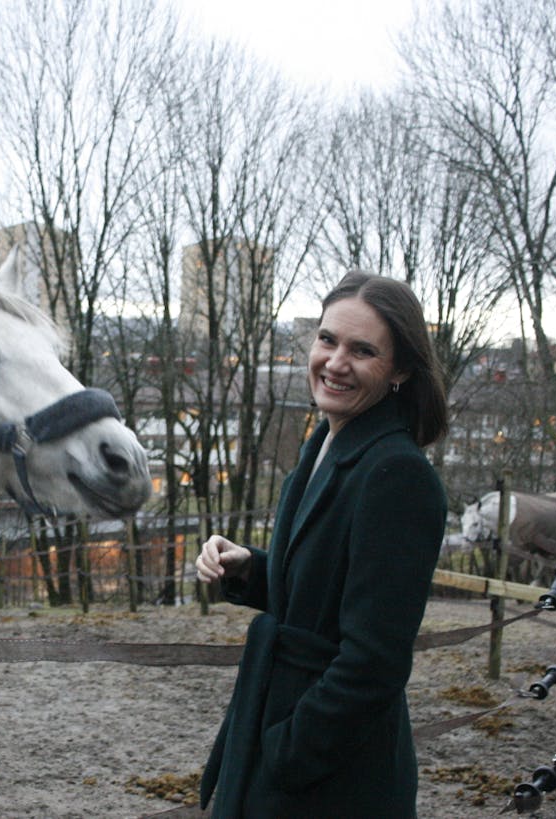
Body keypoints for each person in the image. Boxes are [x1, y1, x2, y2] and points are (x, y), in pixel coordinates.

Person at [195, 271, 449, 818]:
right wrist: (251, 569)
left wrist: (288, 753)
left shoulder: (396, 475)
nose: (335, 362)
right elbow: (329, 590)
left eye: (362, 350)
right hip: (286, 729)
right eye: (327, 339)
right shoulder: (326, 445)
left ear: (400, 369)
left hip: (333, 772)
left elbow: (374, 662)